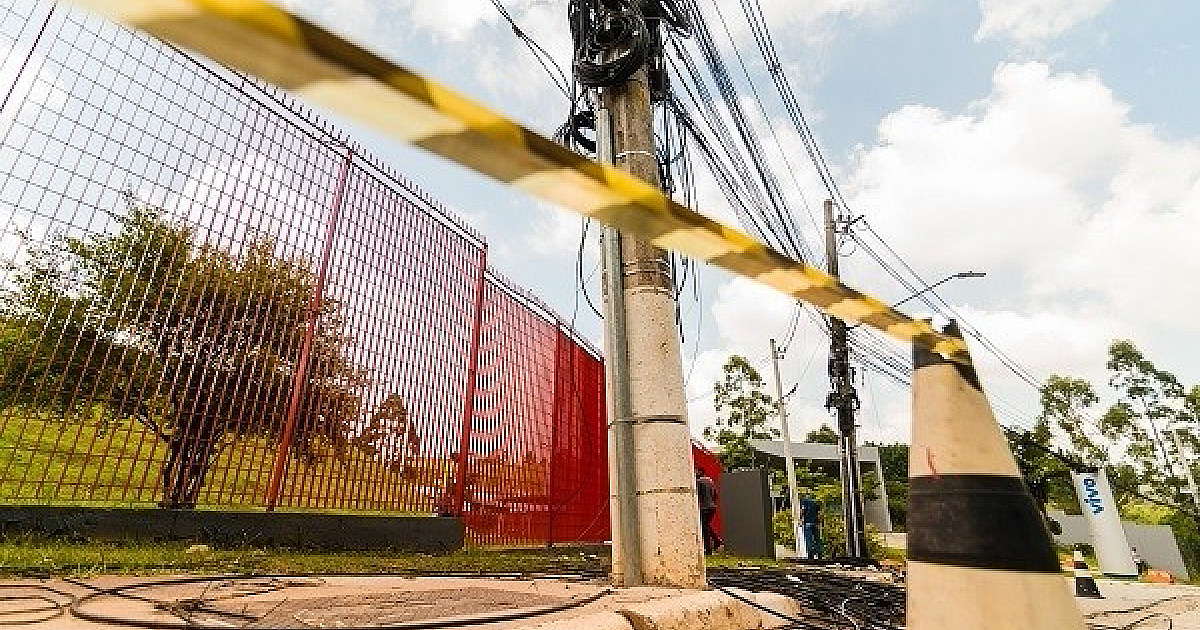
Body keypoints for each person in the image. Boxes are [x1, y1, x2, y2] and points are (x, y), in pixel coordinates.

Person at [696, 467, 722, 555]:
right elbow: (715, 494)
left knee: (704, 527)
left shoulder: (699, 482)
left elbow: (696, 495)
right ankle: (717, 542)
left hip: (704, 507)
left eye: (696, 471)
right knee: (706, 526)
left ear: (700, 472)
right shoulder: (710, 481)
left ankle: (709, 549)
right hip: (712, 507)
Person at [800, 495, 822, 560]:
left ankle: (811, 554)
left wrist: (801, 519)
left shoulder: (805, 501)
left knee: (809, 539)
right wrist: (820, 523)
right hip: (815, 523)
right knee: (817, 539)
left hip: (807, 523)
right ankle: (819, 553)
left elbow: (803, 510)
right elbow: (820, 513)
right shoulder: (816, 502)